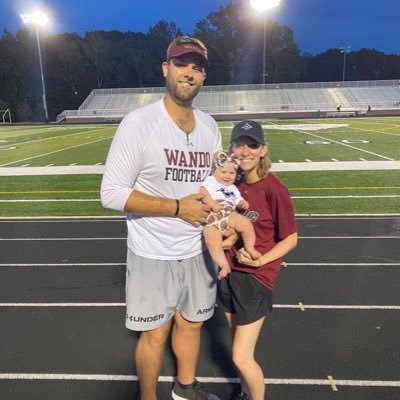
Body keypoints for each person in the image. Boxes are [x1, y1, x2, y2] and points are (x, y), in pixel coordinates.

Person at [101, 36, 222, 400]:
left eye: (198, 67)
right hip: (152, 251)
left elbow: (213, 185)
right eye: (182, 64)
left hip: (198, 248)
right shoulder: (139, 123)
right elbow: (111, 193)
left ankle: (185, 389)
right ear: (165, 69)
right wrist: (175, 207)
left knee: (191, 323)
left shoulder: (210, 126)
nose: (190, 73)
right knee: (155, 334)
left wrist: (225, 220)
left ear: (203, 77)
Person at [218, 120, 298, 400]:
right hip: (229, 273)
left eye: (252, 145)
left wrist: (260, 261)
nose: (245, 151)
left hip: (255, 278)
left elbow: (290, 238)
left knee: (241, 357)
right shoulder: (233, 184)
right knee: (234, 344)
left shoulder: (275, 189)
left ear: (263, 149)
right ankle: (243, 393)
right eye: (239, 144)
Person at [200, 150, 262, 280]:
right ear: (214, 171)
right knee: (212, 242)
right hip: (211, 217)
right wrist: (211, 204)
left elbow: (237, 200)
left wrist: (242, 203)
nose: (228, 176)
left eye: (232, 173)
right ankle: (224, 265)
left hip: (228, 214)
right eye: (223, 172)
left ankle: (249, 247)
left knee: (245, 223)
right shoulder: (210, 181)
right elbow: (202, 191)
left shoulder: (233, 188)